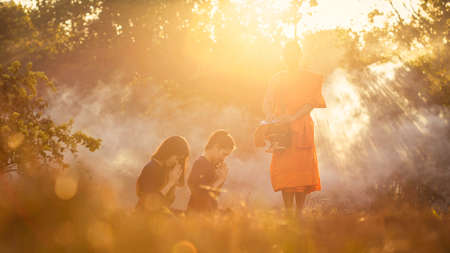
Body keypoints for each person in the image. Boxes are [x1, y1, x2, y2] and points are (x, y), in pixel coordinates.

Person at [256, 41, 326, 217]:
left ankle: (299, 214)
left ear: (300, 55)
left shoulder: (309, 78)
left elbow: (311, 103)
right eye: (287, 54)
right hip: (282, 129)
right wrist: (270, 115)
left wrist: (293, 117)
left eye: (294, 54)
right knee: (285, 170)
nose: (291, 58)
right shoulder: (277, 78)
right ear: (283, 56)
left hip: (301, 127)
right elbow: (267, 101)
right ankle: (288, 213)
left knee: (301, 170)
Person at [136, 136, 190, 213]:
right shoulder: (151, 169)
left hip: (160, 215)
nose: (176, 162)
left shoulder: (165, 170)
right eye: (177, 158)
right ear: (169, 152)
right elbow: (151, 204)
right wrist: (170, 183)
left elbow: (167, 203)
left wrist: (173, 183)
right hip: (145, 217)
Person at [187, 130, 236, 213]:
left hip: (209, 214)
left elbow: (214, 196)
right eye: (224, 154)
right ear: (216, 147)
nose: (224, 158)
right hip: (197, 216)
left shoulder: (213, 166)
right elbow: (199, 196)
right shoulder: (200, 164)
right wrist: (220, 180)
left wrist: (221, 179)